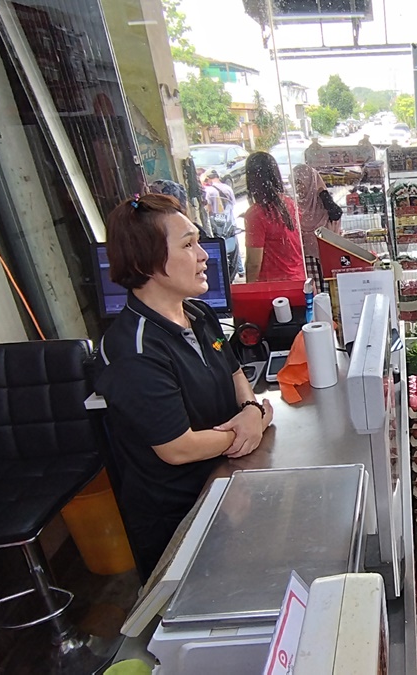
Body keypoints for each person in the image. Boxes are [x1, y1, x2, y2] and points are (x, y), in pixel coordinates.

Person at [95, 193, 275, 579]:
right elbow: (177, 447)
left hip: (228, 488)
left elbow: (234, 374)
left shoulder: (199, 313)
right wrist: (249, 429)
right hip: (180, 516)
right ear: (146, 261)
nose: (204, 255)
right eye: (188, 245)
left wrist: (249, 411)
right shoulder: (133, 347)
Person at [244, 152, 305, 283]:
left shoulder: (256, 214)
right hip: (299, 283)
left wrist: (249, 291)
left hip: (274, 289)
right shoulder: (290, 204)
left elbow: (253, 263)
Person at [292, 164, 343, 290]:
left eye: (300, 182)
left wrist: (324, 194)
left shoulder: (323, 202)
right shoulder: (294, 205)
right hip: (306, 260)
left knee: (329, 291)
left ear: (310, 181)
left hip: (326, 257)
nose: (297, 187)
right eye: (295, 183)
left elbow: (336, 215)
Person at [201, 170, 241, 280]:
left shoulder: (208, 190)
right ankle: (240, 269)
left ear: (208, 179)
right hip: (228, 222)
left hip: (217, 225)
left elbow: (208, 209)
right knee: (235, 246)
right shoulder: (227, 188)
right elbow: (232, 204)